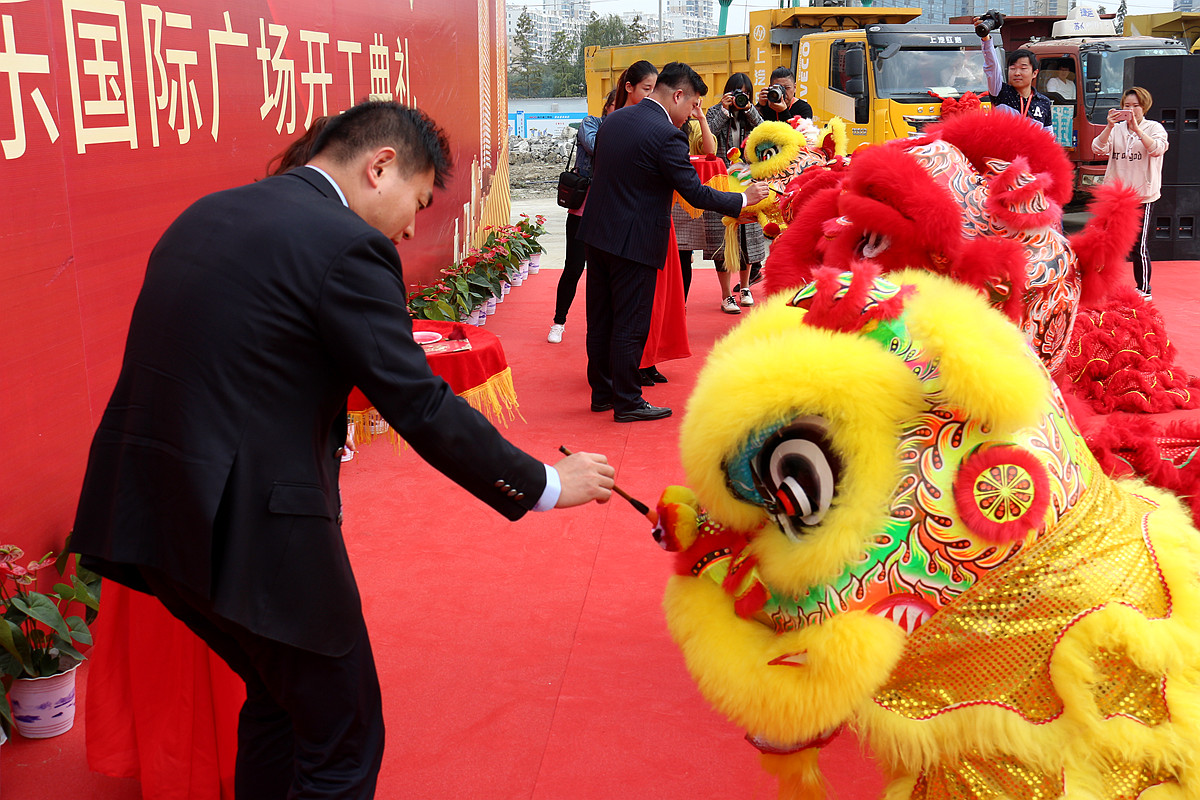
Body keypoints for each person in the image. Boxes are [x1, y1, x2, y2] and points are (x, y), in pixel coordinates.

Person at [70, 100, 616, 799]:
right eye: (418, 201)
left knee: (282, 704)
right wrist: (542, 483)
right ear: (379, 167)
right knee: (344, 739)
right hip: (253, 535)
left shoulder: (209, 213)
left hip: (153, 519)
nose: (413, 226)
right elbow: (415, 400)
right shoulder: (343, 243)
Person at [578, 62, 767, 422]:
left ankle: (603, 393)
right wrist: (743, 199)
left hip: (597, 234)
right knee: (630, 323)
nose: (692, 115)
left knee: (601, 319)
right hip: (635, 240)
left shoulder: (615, 120)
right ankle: (629, 401)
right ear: (677, 95)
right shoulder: (667, 135)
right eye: (692, 105)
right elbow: (694, 193)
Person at [548, 89, 616, 345]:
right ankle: (558, 321)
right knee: (574, 267)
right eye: (614, 106)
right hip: (582, 210)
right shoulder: (591, 123)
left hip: (610, 212)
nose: (617, 110)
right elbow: (595, 146)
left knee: (606, 274)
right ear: (607, 106)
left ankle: (604, 327)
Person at [1093, 86, 1169, 298]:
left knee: (1138, 244)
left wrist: (1137, 130)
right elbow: (1098, 148)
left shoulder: (1154, 128)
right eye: (1127, 106)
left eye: (1136, 106)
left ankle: (1144, 288)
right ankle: (1102, 285)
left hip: (1143, 196)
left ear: (1144, 107)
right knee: (1107, 242)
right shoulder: (1116, 129)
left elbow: (1157, 149)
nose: (1131, 109)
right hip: (1115, 196)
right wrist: (1109, 126)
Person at [707, 72, 767, 314]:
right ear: (727, 93)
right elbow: (707, 136)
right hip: (721, 182)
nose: (741, 98)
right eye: (737, 93)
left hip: (747, 181)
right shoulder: (715, 111)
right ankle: (725, 295)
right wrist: (724, 111)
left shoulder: (751, 115)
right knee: (722, 238)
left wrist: (750, 109)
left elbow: (766, 132)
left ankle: (744, 288)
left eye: (746, 94)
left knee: (748, 236)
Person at [976, 27, 1052, 131]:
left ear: (1034, 73)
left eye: (1023, 68)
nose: (1017, 73)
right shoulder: (1001, 92)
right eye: (1012, 68)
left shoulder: (1043, 102)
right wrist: (986, 38)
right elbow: (992, 67)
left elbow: (1048, 137)